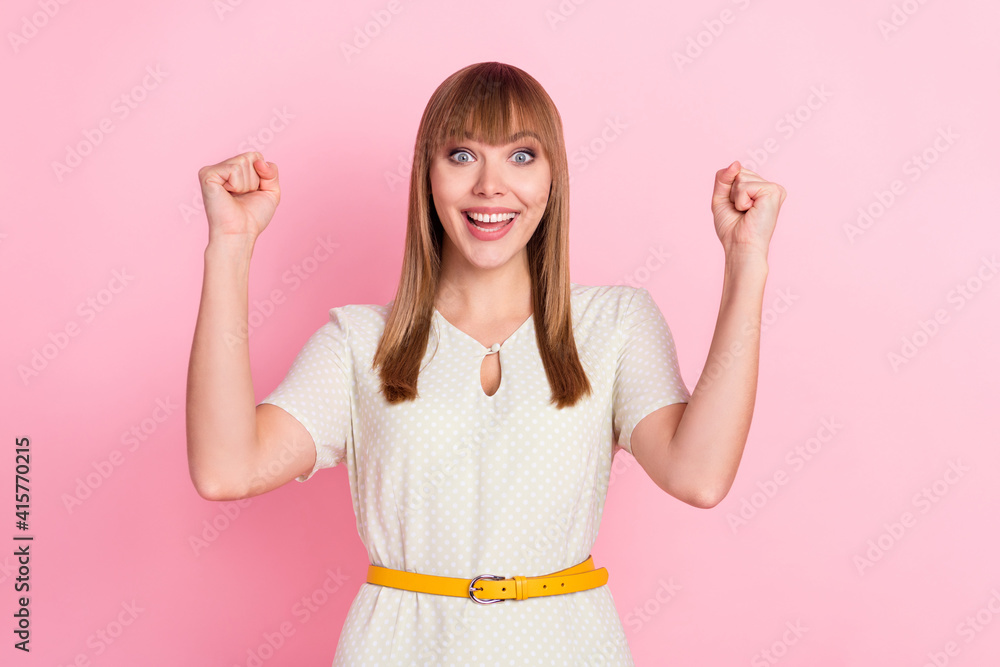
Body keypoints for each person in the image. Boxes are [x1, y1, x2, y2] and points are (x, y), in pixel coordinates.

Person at [186, 61, 786, 666]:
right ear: (427, 177)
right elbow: (226, 470)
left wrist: (747, 262)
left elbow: (699, 474)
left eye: (521, 156)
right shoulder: (358, 342)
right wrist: (231, 246)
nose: (491, 186)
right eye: (463, 155)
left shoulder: (615, 325)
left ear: (553, 179)